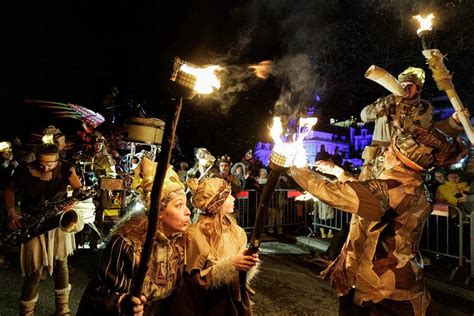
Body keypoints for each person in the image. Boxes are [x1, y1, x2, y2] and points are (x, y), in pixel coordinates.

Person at [288, 130, 463, 315]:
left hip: (378, 291)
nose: (385, 152)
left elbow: (338, 194)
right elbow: (369, 194)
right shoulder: (416, 185)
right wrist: (339, 172)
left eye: (390, 150)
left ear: (399, 160)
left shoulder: (390, 190)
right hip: (404, 283)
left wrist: (297, 168)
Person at [77, 166, 190, 315]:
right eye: (179, 205)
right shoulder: (127, 243)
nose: (188, 211)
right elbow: (100, 292)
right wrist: (123, 302)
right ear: (159, 211)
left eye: (186, 204)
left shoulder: (178, 242)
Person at [5, 143, 82, 315]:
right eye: (41, 163)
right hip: (33, 223)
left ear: (57, 160)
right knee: (34, 271)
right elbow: (9, 190)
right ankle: (27, 311)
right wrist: (12, 212)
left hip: (57, 223)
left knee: (62, 266)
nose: (45, 167)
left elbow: (78, 189)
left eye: (50, 164)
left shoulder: (66, 168)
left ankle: (63, 309)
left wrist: (71, 204)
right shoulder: (25, 170)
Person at [172, 177, 259, 315]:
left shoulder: (237, 231)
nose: (233, 199)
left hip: (233, 304)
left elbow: (241, 276)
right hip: (208, 307)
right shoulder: (194, 234)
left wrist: (248, 264)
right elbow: (193, 282)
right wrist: (229, 265)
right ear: (217, 202)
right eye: (228, 195)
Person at [360, 66, 466, 180]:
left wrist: (454, 121)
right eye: (403, 85)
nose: (405, 88)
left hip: (405, 162)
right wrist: (387, 101)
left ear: (418, 89)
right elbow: (365, 116)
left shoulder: (424, 108)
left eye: (409, 85)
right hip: (377, 160)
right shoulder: (385, 103)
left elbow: (431, 134)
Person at [0, 141, 18, 269]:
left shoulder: (12, 163)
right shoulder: (4, 165)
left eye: (10, 151)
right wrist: (11, 166)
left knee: (4, 225)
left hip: (6, 199)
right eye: (6, 152)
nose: (9, 153)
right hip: (1, 197)